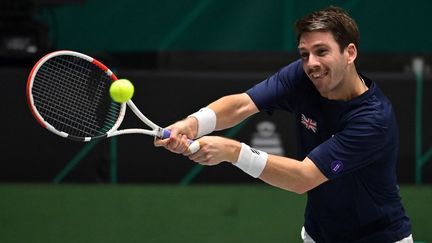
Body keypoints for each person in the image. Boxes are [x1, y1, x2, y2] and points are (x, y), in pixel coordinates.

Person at [155, 6, 413, 243]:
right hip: (319, 234)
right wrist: (191, 124)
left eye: (322, 51)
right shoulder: (303, 76)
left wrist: (233, 152)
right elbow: (242, 104)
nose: (311, 63)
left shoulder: (372, 120)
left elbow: (303, 178)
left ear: (350, 53)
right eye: (304, 54)